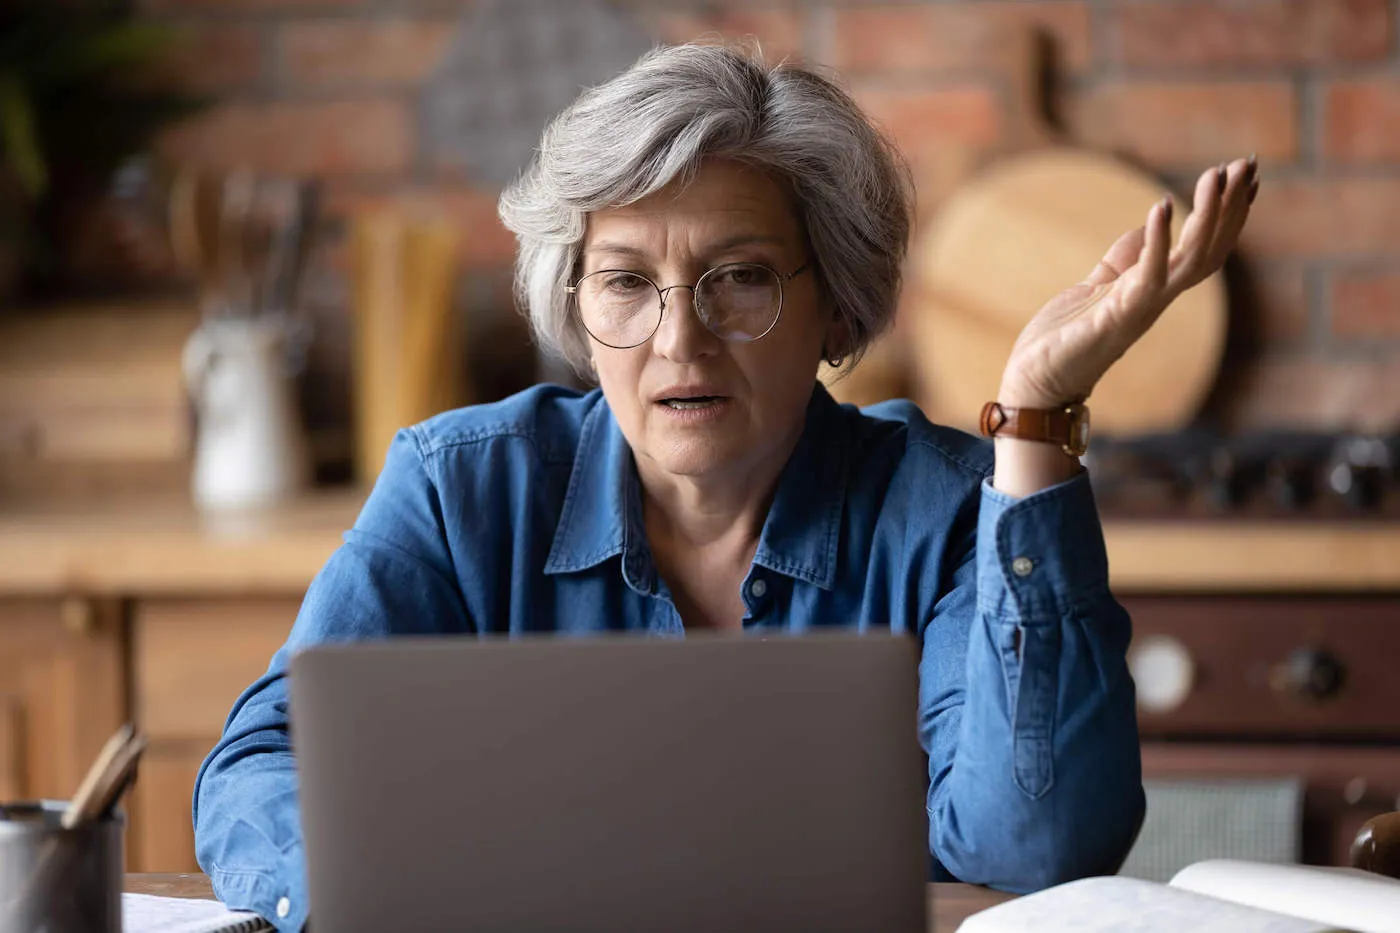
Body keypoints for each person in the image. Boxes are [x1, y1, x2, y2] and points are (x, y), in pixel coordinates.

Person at [192, 42, 1257, 931]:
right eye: (624, 283)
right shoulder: (459, 489)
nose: (678, 338)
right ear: (576, 308)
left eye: (739, 278)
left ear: (834, 307)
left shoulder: (945, 510)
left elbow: (1036, 851)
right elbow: (256, 771)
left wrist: (1030, 415)